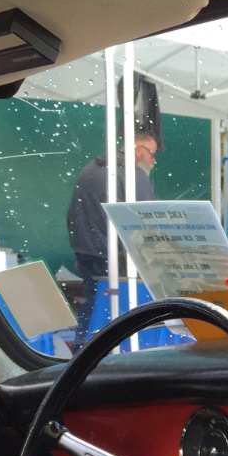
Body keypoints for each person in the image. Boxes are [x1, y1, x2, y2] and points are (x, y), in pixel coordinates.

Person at [65, 133, 158, 347]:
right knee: (121, 312)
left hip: (87, 251)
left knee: (94, 305)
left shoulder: (91, 169)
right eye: (151, 153)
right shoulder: (133, 175)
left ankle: (81, 354)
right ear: (137, 149)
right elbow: (147, 223)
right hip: (115, 257)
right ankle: (110, 359)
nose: (153, 160)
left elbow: (72, 215)